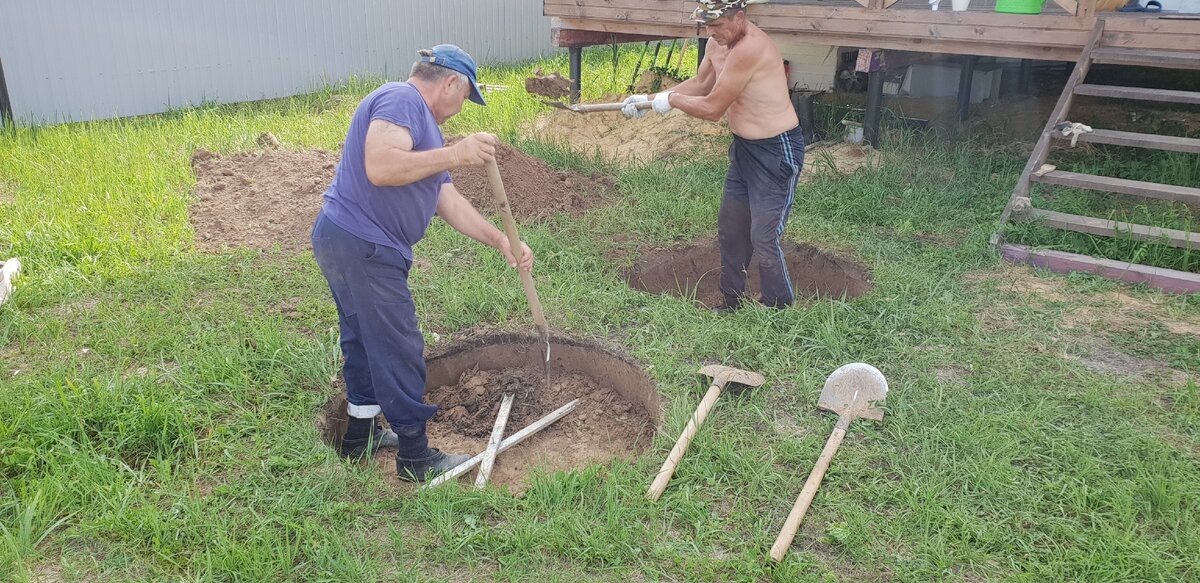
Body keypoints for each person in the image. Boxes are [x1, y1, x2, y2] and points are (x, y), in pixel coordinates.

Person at [311, 44, 534, 482]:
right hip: (364, 244)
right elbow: (380, 165)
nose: (461, 109)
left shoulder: (422, 126)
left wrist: (500, 240)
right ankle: (416, 458)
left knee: (364, 340)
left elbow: (444, 198)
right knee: (399, 346)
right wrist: (456, 152)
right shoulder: (403, 99)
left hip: (346, 241)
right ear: (450, 81)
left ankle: (361, 435)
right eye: (465, 96)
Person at [622, 0, 803, 311]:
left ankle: (779, 306)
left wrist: (673, 100)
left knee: (763, 234)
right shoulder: (717, 44)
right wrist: (648, 100)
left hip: (777, 151)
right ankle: (732, 302)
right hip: (744, 149)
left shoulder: (750, 48)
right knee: (732, 228)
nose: (711, 32)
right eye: (706, 26)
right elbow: (702, 83)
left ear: (741, 17)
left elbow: (713, 107)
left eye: (717, 25)